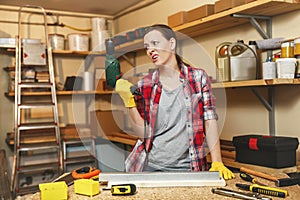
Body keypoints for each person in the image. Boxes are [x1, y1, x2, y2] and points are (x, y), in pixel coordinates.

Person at [115, 24, 234, 180]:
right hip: (151, 167)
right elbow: (143, 135)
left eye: (155, 43)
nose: (150, 50)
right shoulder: (145, 85)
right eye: (146, 47)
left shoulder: (198, 78)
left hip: (189, 167)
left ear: (171, 43)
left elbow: (209, 119)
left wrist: (217, 161)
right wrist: (129, 103)